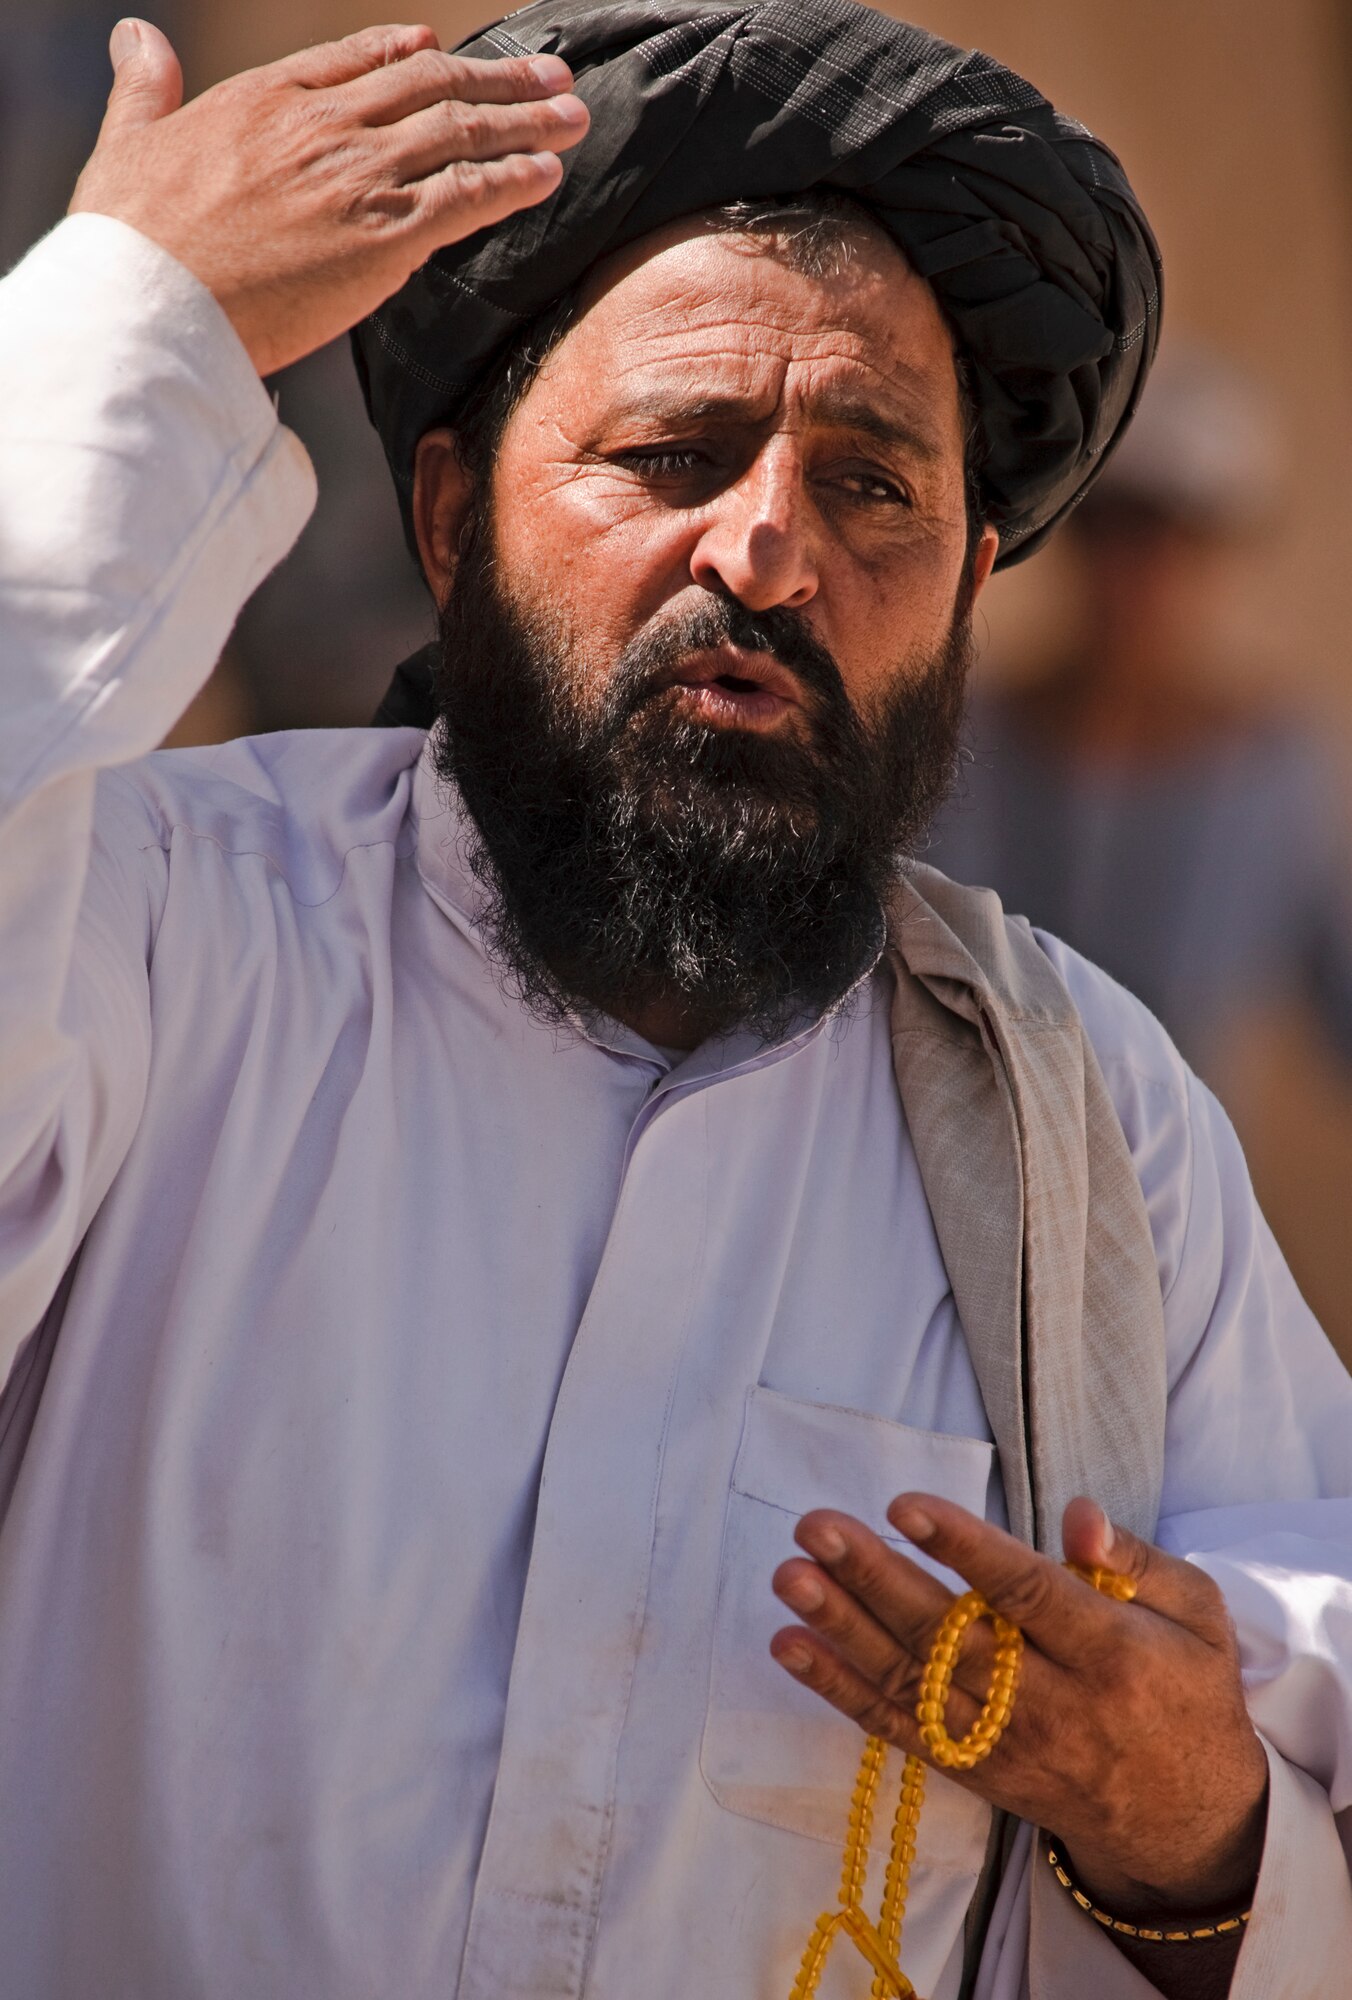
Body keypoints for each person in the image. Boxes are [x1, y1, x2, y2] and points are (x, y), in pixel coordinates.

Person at [0, 7, 1349, 1998]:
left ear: (972, 582)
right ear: (452, 520)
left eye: (875, 486)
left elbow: (1281, 1743)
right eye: (675, 454)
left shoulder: (1094, 1134)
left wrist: (1185, 1830)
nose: (773, 546)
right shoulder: (157, 926)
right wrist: (128, 330)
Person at [931, 343, 1352, 1084]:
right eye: (1113, 530)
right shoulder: (959, 746)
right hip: (963, 1181)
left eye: (1171, 539)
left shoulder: (1275, 779)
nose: (1138, 572)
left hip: (1182, 1194)